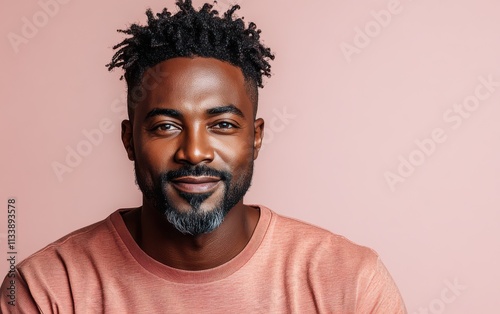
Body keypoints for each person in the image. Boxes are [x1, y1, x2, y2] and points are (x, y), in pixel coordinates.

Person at [1, 1, 407, 312]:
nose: (194, 151)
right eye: (166, 126)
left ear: (256, 137)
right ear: (129, 141)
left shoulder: (350, 283)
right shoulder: (48, 289)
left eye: (223, 125)